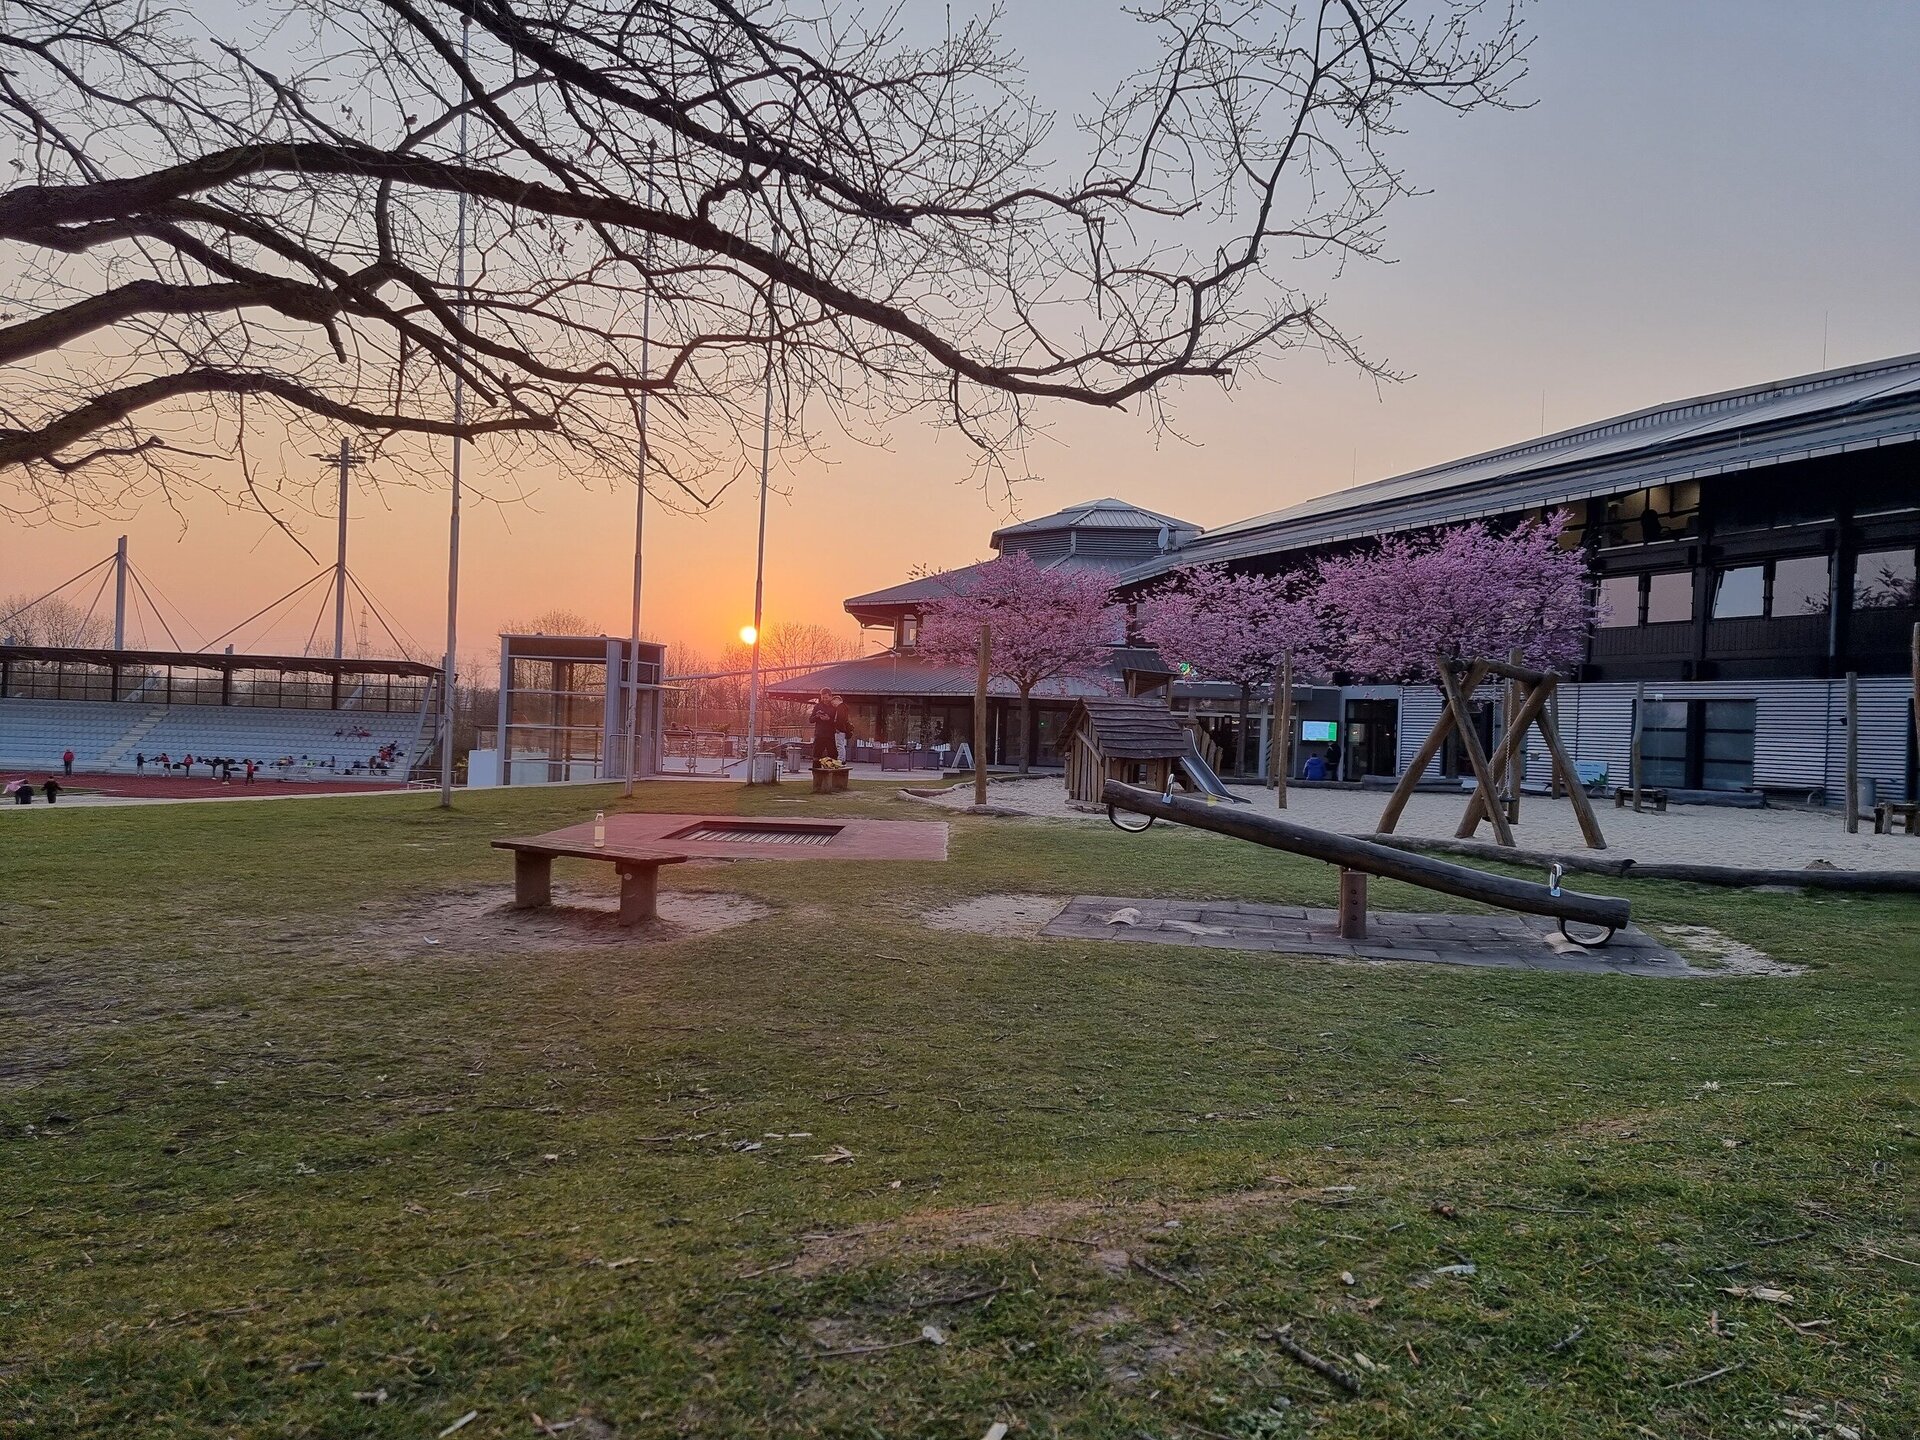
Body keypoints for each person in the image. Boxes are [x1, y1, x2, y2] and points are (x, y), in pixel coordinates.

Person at [808, 688, 838, 764]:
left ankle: (832, 773)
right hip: (819, 734)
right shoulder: (817, 706)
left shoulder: (834, 707)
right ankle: (816, 773)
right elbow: (811, 720)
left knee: (833, 755)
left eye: (826, 698)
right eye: (823, 697)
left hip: (830, 735)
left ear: (830, 697)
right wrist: (817, 716)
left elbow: (838, 722)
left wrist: (829, 719)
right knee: (816, 756)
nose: (824, 699)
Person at [831, 692, 856, 762]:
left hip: (839, 730)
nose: (833, 705)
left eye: (833, 703)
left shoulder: (840, 708)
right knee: (841, 745)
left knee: (839, 745)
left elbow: (840, 719)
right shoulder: (844, 707)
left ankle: (841, 759)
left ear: (837, 700)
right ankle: (842, 759)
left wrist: (837, 728)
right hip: (842, 729)